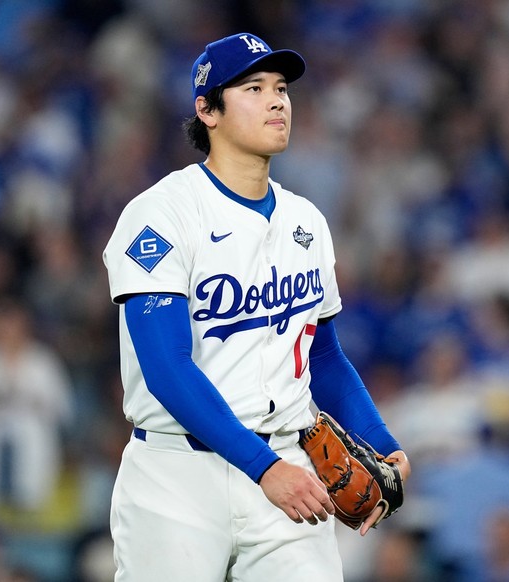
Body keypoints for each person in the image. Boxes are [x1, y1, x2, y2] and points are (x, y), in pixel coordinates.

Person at [102, 32, 410, 581]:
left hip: (291, 467)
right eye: (253, 87)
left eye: (281, 88)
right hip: (179, 474)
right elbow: (167, 370)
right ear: (207, 109)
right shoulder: (160, 216)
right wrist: (263, 468)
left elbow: (324, 359)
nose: (276, 101)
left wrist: (382, 444)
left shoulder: (306, 222)